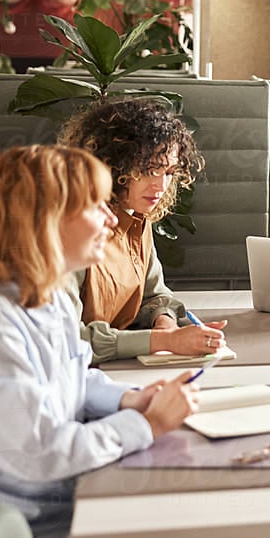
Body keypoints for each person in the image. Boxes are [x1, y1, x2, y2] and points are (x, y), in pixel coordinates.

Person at [0, 146, 198, 538]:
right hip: (12, 529)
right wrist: (147, 425)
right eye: (94, 206)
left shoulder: (44, 296)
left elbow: (71, 377)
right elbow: (43, 454)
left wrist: (128, 400)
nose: (110, 218)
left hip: (52, 503)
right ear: (44, 221)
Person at [58, 98, 226, 364]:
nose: (160, 185)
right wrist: (165, 341)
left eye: (169, 172)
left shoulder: (137, 219)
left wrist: (164, 322)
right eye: (149, 170)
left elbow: (155, 294)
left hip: (115, 370)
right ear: (113, 165)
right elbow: (66, 341)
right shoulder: (71, 230)